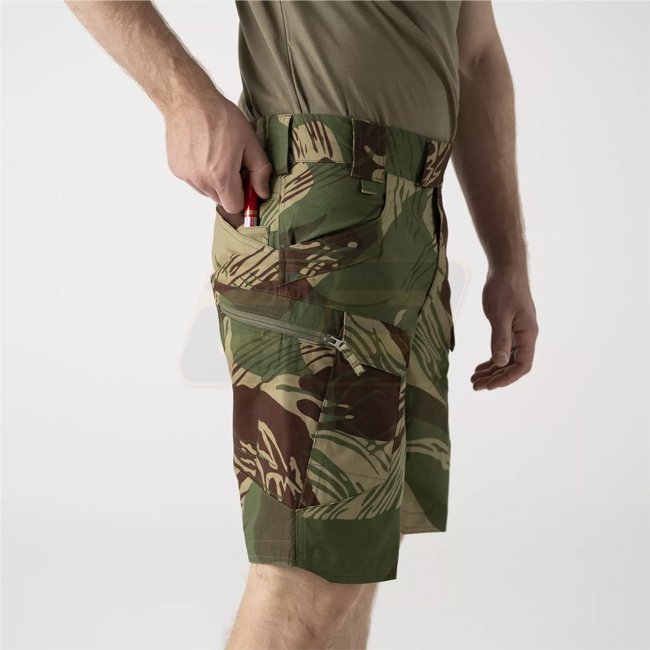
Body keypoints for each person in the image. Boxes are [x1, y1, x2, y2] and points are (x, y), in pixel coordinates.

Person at [65, 1, 539, 648]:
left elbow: (475, 54)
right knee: (309, 576)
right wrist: (182, 98)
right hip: (321, 204)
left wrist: (509, 259)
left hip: (414, 214)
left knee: (354, 554)